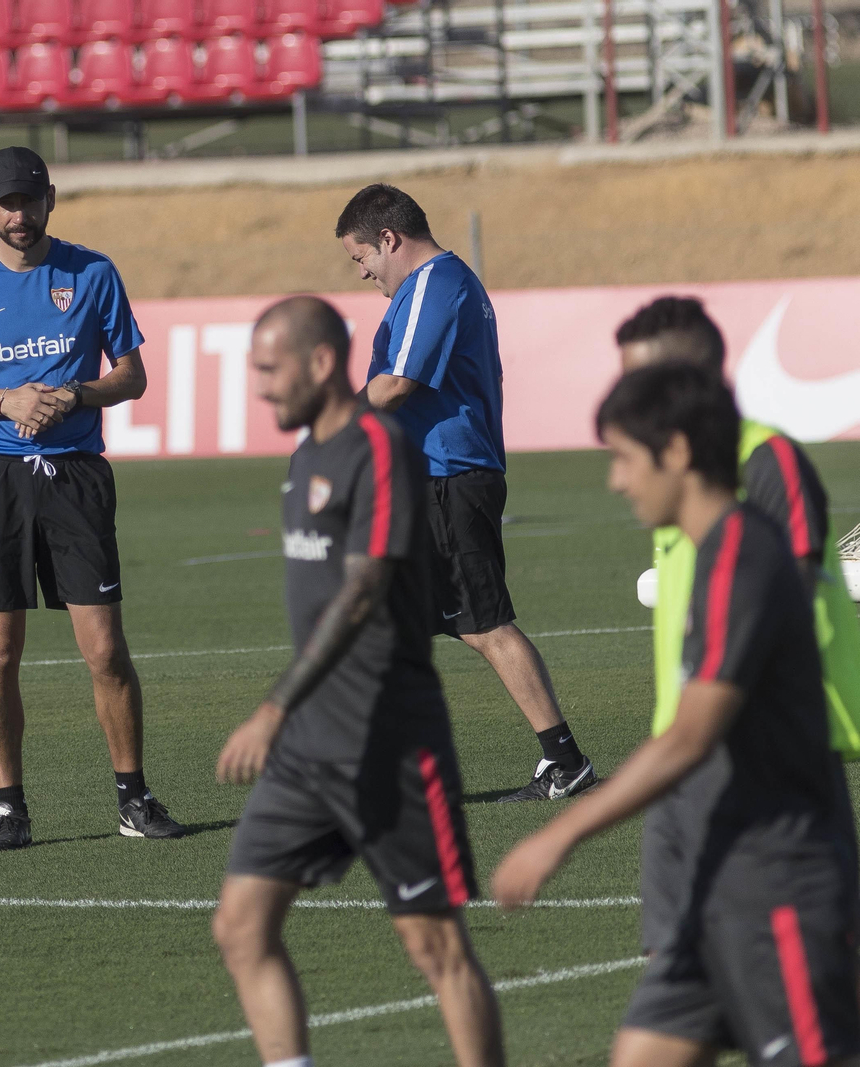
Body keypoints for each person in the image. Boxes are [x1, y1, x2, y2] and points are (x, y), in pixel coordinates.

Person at [494, 362, 860, 1067]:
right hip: (713, 885)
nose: (616, 482)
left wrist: (558, 835)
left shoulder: (746, 559)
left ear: (681, 454)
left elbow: (691, 735)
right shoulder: (711, 556)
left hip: (778, 884)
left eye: (626, 459)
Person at [214, 296, 503, 1067]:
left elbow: (365, 585)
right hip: (310, 748)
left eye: (270, 370)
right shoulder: (306, 454)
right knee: (242, 925)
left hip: (390, 740)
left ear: (317, 363)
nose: (261, 388)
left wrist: (275, 705)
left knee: (434, 944)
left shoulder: (379, 448)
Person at [0, 145, 185, 850]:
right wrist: (5, 399)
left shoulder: (92, 273)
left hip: (75, 475)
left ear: (50, 200)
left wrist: (73, 393)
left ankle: (134, 795)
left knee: (104, 648)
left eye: (29, 201)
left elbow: (131, 376)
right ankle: (10, 806)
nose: (19, 215)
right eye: (6, 203)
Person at [336, 183, 597, 803]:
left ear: (389, 239)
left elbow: (397, 384)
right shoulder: (439, 286)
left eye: (361, 257)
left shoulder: (436, 284)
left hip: (447, 475)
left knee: (485, 624)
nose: (363, 272)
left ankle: (565, 760)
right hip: (430, 476)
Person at [615, 295, 860, 753]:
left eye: (640, 383)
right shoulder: (674, 475)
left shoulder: (765, 460)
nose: (624, 398)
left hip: (770, 746)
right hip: (695, 748)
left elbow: (790, 603)